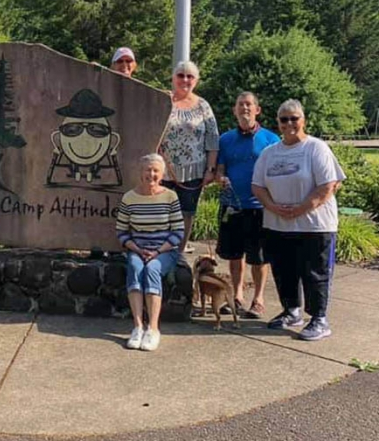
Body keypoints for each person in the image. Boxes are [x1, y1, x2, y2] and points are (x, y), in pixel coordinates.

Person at [251, 99, 346, 341]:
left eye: (294, 118)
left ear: (303, 120)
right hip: (277, 224)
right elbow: (257, 186)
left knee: (315, 272)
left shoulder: (316, 148)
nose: (289, 123)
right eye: (284, 119)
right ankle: (291, 311)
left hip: (314, 225)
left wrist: (301, 209)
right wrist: (272, 206)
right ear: (278, 123)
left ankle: (319, 319)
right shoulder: (269, 153)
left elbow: (328, 185)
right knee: (284, 271)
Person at [215, 92, 279, 320]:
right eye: (240, 104)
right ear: (234, 110)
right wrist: (221, 179)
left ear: (257, 110)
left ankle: (258, 300)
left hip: (259, 207)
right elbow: (219, 170)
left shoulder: (271, 139)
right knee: (234, 256)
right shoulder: (225, 139)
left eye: (249, 104)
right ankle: (237, 296)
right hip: (232, 205)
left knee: (259, 257)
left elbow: (277, 172)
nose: (245, 108)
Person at [116, 154, 185, 351]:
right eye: (148, 170)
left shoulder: (170, 197)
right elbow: (121, 231)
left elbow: (178, 231)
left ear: (162, 174)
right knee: (135, 267)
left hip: (164, 251)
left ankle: (153, 329)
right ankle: (137, 327)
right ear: (141, 172)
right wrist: (137, 249)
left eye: (156, 170)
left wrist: (157, 251)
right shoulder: (129, 198)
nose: (151, 174)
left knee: (153, 269)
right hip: (138, 249)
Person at [159, 61, 220, 253]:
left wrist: (210, 169)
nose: (185, 80)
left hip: (193, 171)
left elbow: (212, 138)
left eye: (190, 76)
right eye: (180, 75)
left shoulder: (203, 106)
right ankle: (160, 252)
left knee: (187, 213)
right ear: (173, 78)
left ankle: (179, 253)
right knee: (161, 214)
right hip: (163, 171)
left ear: (196, 80)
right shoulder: (162, 100)